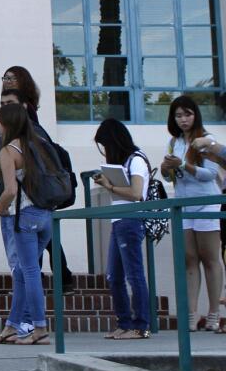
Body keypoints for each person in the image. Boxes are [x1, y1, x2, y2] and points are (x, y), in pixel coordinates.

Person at [1, 66, 75, 294]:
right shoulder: (20, 118)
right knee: (33, 263)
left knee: (27, 267)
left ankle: (28, 317)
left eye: (11, 78)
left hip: (29, 198)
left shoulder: (27, 121)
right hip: (35, 198)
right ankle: (35, 318)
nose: (7, 81)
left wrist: (0, 206)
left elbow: (24, 153)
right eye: (5, 78)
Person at [0, 102, 57, 345]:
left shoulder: (9, 150)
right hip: (47, 215)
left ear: (7, 123)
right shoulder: (37, 144)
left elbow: (9, 190)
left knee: (29, 271)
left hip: (25, 216)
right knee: (22, 272)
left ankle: (39, 328)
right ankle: (12, 326)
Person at [164, 97, 225, 333]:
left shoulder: (207, 140)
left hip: (206, 202)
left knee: (210, 258)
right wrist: (167, 167)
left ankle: (213, 313)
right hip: (183, 204)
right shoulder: (174, 142)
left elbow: (210, 175)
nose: (183, 120)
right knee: (189, 259)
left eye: (187, 114)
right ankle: (190, 314)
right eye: (178, 116)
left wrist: (183, 165)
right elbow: (169, 175)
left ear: (195, 115)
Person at [92, 119, 151, 340]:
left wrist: (110, 186)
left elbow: (136, 193)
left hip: (131, 219)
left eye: (106, 145)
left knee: (134, 274)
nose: (106, 151)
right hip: (119, 220)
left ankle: (140, 325)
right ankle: (124, 322)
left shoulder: (136, 160)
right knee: (114, 276)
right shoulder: (124, 162)